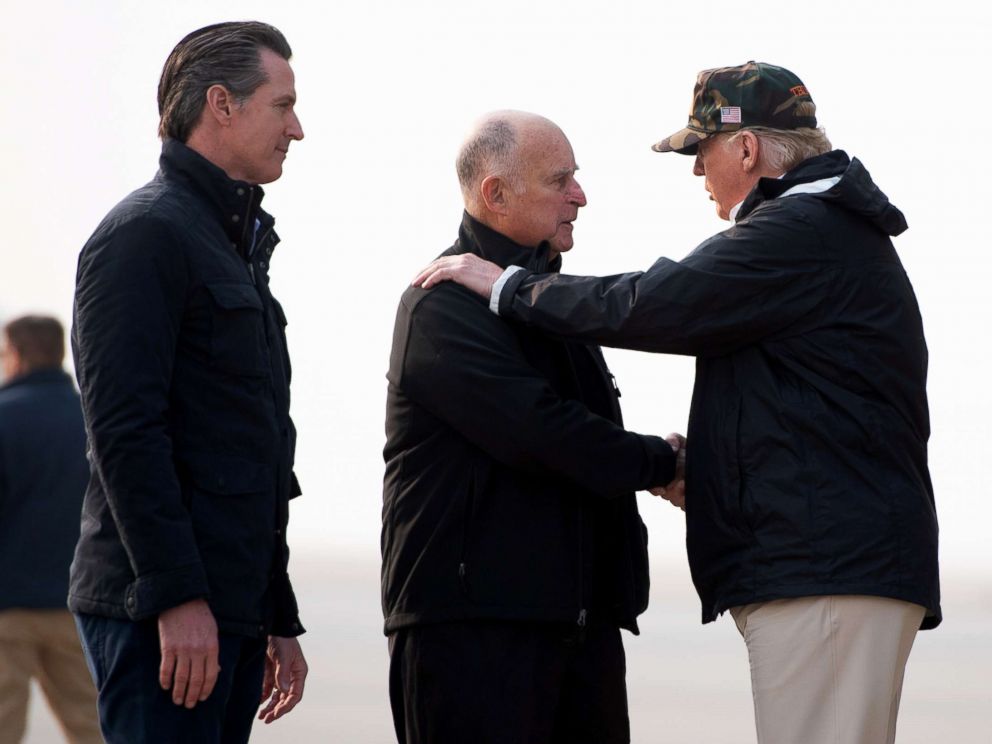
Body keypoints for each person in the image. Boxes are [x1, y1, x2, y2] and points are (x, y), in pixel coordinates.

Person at [415, 62, 940, 744]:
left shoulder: (802, 229)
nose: (697, 174)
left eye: (702, 151)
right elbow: (798, 411)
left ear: (746, 149)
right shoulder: (824, 232)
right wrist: (709, 469)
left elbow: (653, 303)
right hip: (827, 566)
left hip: (827, 574)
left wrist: (507, 288)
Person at [383, 110, 684, 744]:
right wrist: (662, 463)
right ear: (495, 193)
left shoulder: (549, 301)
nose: (580, 195)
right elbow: (544, 434)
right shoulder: (440, 304)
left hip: (575, 630)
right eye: (560, 180)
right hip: (473, 638)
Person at [70, 21, 308, 744]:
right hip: (163, 612)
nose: (298, 129)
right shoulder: (144, 235)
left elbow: (254, 449)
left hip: (226, 608)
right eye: (283, 104)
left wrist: (277, 614)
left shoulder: (229, 244)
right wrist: (177, 598)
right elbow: (124, 432)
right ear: (221, 105)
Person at [0, 316, 101, 744]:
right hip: (80, 604)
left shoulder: (4, 418)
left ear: (17, 355)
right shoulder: (95, 418)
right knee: (94, 728)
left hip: (6, 608)